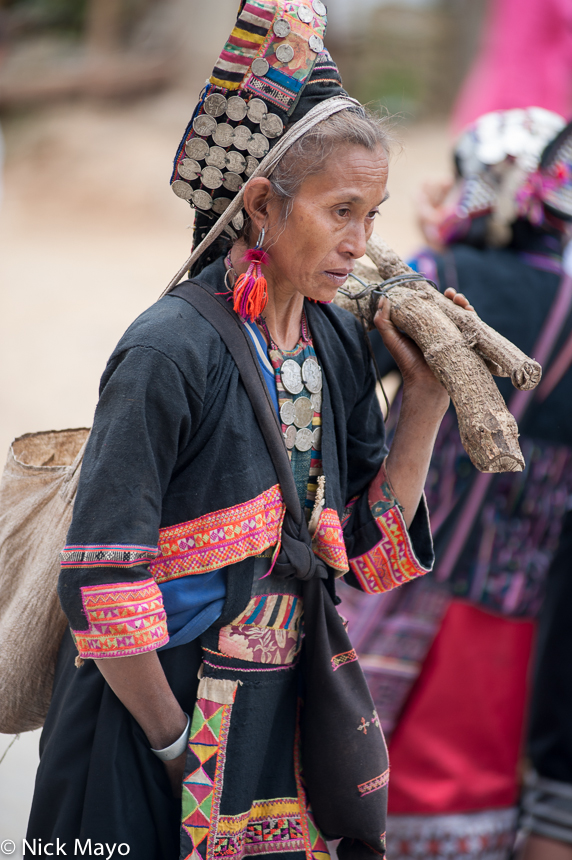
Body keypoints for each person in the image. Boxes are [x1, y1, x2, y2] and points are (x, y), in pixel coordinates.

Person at [25, 3, 468, 858]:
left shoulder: (336, 338)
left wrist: (424, 404)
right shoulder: (167, 350)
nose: (360, 243)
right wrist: (170, 746)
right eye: (341, 211)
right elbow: (104, 589)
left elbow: (370, 559)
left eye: (372, 216)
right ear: (262, 204)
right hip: (149, 720)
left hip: (280, 719)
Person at [339, 106, 572, 860]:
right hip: (516, 620)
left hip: (388, 582)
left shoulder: (438, 280)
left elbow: (332, 400)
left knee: (344, 794)